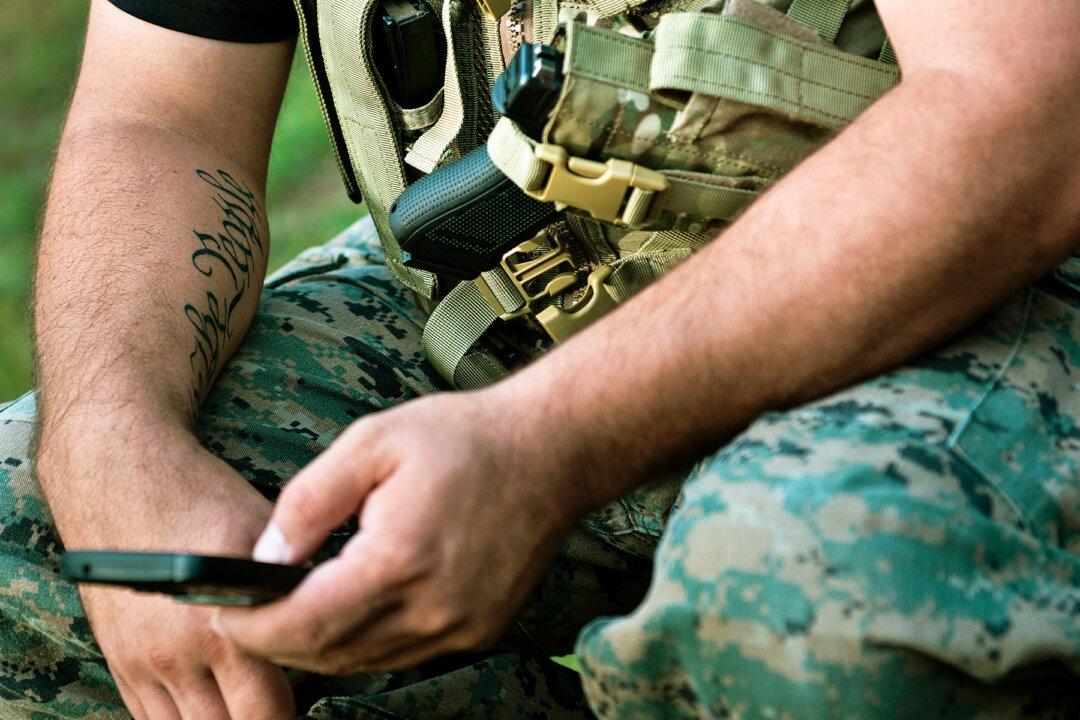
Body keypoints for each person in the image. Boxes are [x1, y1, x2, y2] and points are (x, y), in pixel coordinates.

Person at [2, 0, 1080, 717]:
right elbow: (162, 113)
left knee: (801, 592)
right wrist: (106, 441)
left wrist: (544, 442)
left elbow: (1028, 108)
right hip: (492, 297)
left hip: (957, 281)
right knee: (23, 548)